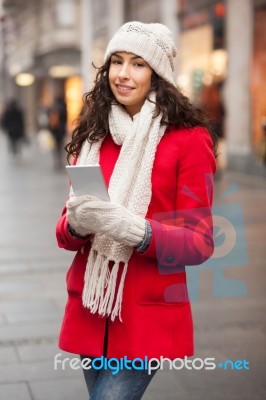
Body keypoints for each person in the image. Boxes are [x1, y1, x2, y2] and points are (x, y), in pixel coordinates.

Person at [56, 21, 217, 400]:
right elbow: (63, 234)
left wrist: (137, 231)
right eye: (117, 62)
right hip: (90, 309)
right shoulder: (93, 135)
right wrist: (76, 224)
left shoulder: (189, 140)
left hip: (145, 317)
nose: (123, 74)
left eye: (138, 64)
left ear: (157, 74)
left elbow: (201, 242)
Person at [48, 96, 67, 169]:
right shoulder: (63, 108)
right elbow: (65, 119)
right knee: (60, 144)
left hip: (54, 129)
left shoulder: (52, 108)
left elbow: (49, 120)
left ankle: (56, 159)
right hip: (61, 129)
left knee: (55, 145)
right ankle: (59, 159)